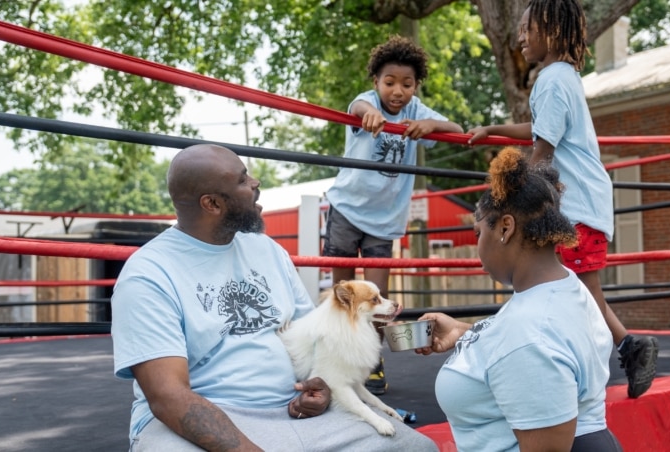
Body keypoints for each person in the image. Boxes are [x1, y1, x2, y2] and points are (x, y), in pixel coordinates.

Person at [111, 144, 438, 451]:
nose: (256, 182)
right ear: (212, 204)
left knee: (416, 447)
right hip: (198, 420)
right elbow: (168, 397)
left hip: (294, 413)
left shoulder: (266, 249)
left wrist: (320, 386)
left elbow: (312, 341)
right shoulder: (148, 274)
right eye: (242, 179)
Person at [467, 0, 658, 399]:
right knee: (579, 290)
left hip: (576, 209)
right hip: (580, 205)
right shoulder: (560, 77)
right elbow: (539, 128)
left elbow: (543, 151)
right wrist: (494, 128)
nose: (519, 36)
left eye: (526, 28)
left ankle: (600, 360)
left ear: (551, 32)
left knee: (570, 291)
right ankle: (625, 347)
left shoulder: (553, 79)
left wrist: (517, 202)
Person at [417, 147, 623, 451]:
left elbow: (528, 343)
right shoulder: (562, 285)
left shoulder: (529, 337)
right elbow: (530, 337)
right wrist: (464, 332)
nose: (478, 248)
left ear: (505, 227)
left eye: (478, 233)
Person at [323, 35, 464, 395]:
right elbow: (356, 106)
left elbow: (458, 132)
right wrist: (368, 113)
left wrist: (432, 126)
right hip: (348, 210)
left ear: (416, 86)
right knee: (342, 292)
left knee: (375, 298)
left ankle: (371, 362)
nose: (397, 91)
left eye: (406, 83)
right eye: (389, 83)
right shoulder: (367, 103)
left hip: (384, 222)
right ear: (376, 83)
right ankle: (335, 359)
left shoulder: (417, 111)